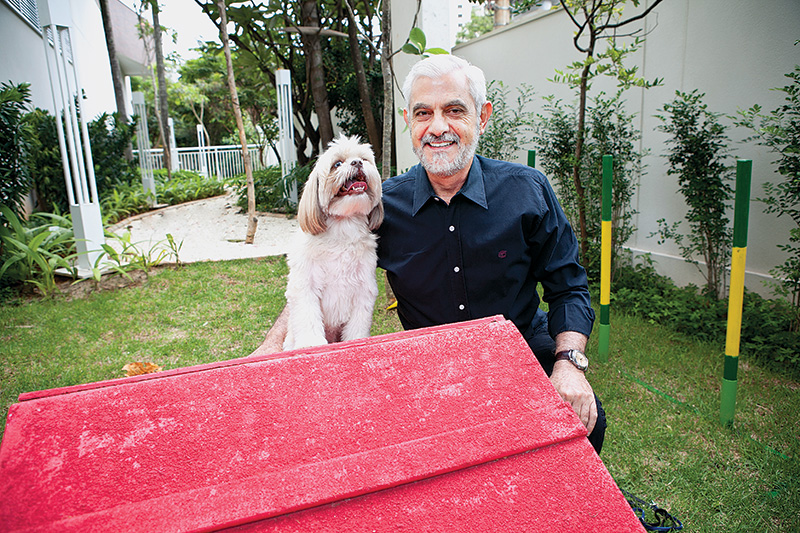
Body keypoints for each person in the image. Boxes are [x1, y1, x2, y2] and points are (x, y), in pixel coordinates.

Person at [253, 54, 606, 452]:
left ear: (483, 116)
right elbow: (321, 268)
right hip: (429, 366)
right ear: (409, 121)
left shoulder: (527, 191)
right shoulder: (382, 206)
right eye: (424, 113)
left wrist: (569, 363)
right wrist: (269, 347)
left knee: (585, 423)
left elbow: (569, 286)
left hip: (520, 349)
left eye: (454, 110)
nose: (438, 127)